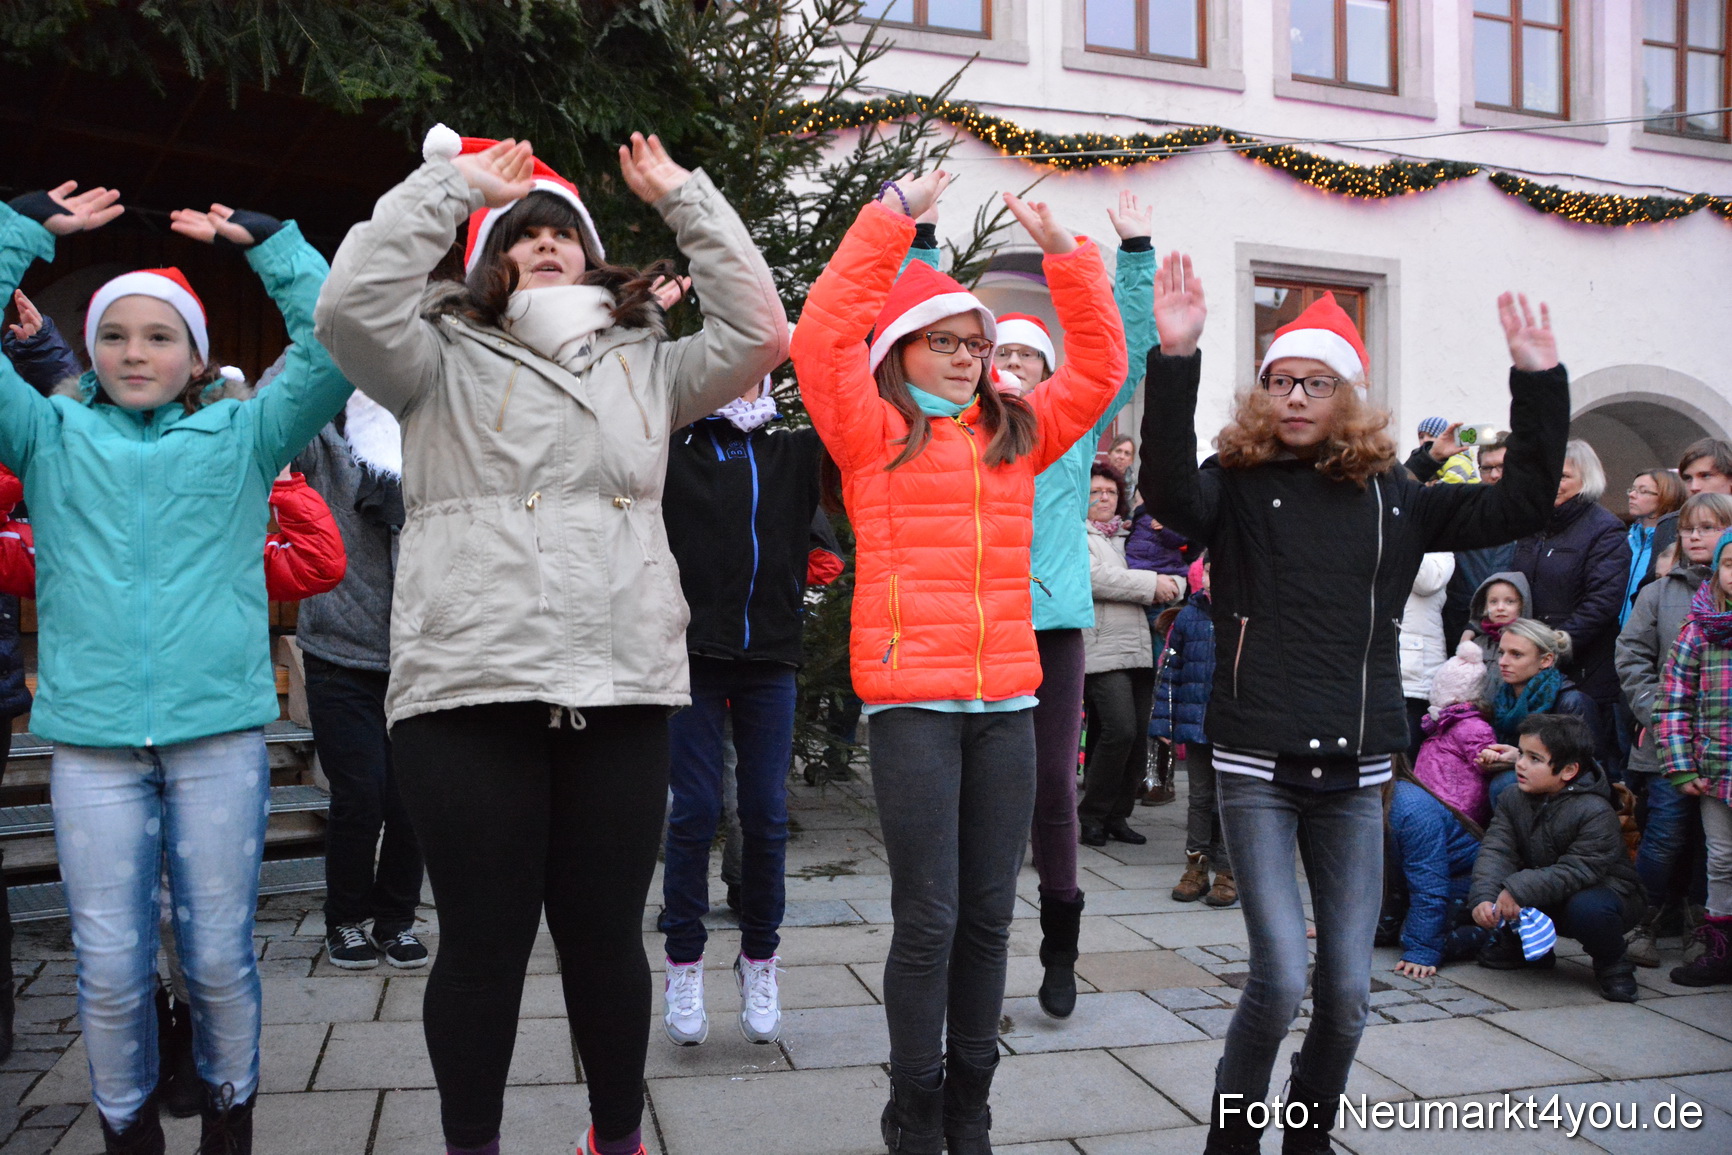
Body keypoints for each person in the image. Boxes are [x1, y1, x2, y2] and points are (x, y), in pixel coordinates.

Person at [314, 128, 787, 1155]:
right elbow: (347, 307)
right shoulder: (430, 352)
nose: (542, 246)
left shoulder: (650, 366)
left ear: (590, 251)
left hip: (617, 678)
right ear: (488, 255)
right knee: (482, 942)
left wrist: (685, 201)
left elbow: (758, 332)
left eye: (560, 231)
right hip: (470, 680)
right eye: (520, 233)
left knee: (604, 937)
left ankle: (615, 1138)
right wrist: (447, 187)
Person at [1139, 249, 1568, 1155]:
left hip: (1357, 768)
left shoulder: (1400, 499)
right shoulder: (1238, 485)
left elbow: (1524, 498)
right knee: (1281, 978)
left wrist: (1537, 381)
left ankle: (1305, 1134)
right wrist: (1174, 357)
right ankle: (1232, 1138)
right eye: (1282, 381)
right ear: (1264, 395)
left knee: (1347, 991)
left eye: (1317, 382)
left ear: (1350, 396)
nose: (1296, 396)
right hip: (1256, 764)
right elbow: (1168, 492)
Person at [2, 182, 353, 1153]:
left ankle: (229, 1120)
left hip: (218, 741)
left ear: (196, 355)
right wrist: (21, 228)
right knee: (110, 966)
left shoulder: (247, 435)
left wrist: (277, 245)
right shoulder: (46, 434)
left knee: (214, 958)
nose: (133, 353)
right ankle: (127, 1130)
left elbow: (334, 345)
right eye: (115, 335)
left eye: (160, 337)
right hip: (91, 746)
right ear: (92, 348)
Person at [792, 170, 1126, 1155]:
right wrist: (891, 220)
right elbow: (821, 335)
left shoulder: (1017, 436)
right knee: (928, 917)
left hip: (1008, 705)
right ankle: (914, 1103)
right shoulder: (869, 430)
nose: (969, 357)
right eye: (949, 340)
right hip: (914, 708)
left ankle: (972, 1101)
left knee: (988, 916)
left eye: (978, 345)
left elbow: (1102, 366)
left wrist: (1066, 259)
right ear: (903, 350)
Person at [906, 191, 1158, 1023]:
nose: (1010, 362)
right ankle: (959, 957)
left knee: (1053, 787)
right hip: (967, 630)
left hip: (1047, 630)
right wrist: (923, 239)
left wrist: (1130, 254)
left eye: (1027, 353)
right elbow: (918, 324)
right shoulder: (957, 427)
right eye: (998, 350)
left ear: (1049, 373)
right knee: (964, 803)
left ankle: (1059, 945)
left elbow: (1120, 356)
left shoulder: (1068, 430)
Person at [658, 372, 839, 1047]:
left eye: (757, 361)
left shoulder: (792, 447)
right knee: (695, 809)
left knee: (764, 813)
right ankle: (683, 962)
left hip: (769, 656)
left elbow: (854, 414)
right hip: (692, 652)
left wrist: (818, 551)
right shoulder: (676, 443)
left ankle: (759, 956)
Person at [1616, 491, 1732, 967]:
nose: (1696, 536)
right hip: (1668, 743)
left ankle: (1701, 926)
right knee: (1663, 833)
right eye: (1689, 528)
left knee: (1713, 847)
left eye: (1709, 527)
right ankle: (1640, 920)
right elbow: (1631, 656)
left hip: (1720, 749)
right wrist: (1656, 711)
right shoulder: (1659, 592)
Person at [1470, 713, 1645, 1002]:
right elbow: (1497, 850)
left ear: (1568, 770)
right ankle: (1528, 948)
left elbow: (1580, 869)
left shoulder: (1595, 810)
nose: (1521, 764)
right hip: (1546, 887)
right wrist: (1484, 898)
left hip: (1609, 896)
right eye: (1521, 754)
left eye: (1535, 759)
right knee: (1496, 884)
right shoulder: (1513, 797)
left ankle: (1613, 964)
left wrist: (1519, 889)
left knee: (1587, 909)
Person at [1511, 439, 1631, 777]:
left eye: (1563, 476)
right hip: (1531, 669)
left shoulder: (1604, 529)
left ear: (1586, 479)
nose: (1553, 483)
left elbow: (1603, 602)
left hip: (1582, 674)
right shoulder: (1532, 526)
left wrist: (1552, 646)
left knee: (1578, 770)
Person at [1078, 463, 1182, 847]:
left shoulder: (1130, 533)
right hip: (1101, 647)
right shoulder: (1078, 535)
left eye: (1109, 491)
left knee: (1138, 735)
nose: (1103, 497)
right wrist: (1151, 584)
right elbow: (1093, 578)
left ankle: (1117, 816)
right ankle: (1091, 814)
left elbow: (1174, 570)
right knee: (1118, 729)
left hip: (1141, 647)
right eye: (1095, 492)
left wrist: (1173, 583)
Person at [1651, 528, 1732, 987]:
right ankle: (1720, 947)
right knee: (1720, 858)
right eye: (1730, 564)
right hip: (1716, 770)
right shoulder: (1700, 631)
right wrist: (1681, 765)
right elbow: (1673, 702)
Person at [1151, 555, 1235, 906]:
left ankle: (1229, 870)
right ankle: (1196, 865)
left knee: (1230, 800)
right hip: (1197, 724)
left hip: (1235, 729)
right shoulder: (1188, 617)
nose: (1216, 577)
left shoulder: (1249, 616)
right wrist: (1163, 721)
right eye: (1212, 570)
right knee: (1200, 798)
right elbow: (1170, 672)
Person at [1477, 618, 1600, 810]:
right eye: (1501, 653)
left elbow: (1585, 771)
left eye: (1516, 655)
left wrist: (1518, 759)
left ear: (1546, 660)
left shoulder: (1571, 702)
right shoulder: (1501, 699)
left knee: (1506, 784)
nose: (1503, 662)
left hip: (1568, 804)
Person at [1386, 775, 1488, 980]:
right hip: (1413, 879)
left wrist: (1422, 950)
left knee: (1411, 936)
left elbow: (1430, 883)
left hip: (1464, 878)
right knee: (1379, 930)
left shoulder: (1411, 809)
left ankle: (1501, 935)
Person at [1439, 430, 1515, 644]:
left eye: (1502, 466)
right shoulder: (1463, 511)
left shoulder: (1535, 512)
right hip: (1463, 628)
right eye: (1488, 468)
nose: (1495, 475)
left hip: (1517, 632)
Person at [1414, 641, 1500, 825]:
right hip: (1433, 804)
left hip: (1455, 810)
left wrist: (1489, 757)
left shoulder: (1472, 727)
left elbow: (1484, 764)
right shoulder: (1444, 724)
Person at [1645, 439, 1732, 590]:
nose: (1694, 487)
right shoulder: (1670, 524)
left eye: (1705, 476)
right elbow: (1650, 591)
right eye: (1688, 478)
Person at [1399, 553, 1456, 758]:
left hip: (1412, 673)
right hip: (1369, 665)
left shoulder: (1438, 550)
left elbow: (1428, 581)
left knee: (1403, 759)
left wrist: (1399, 531)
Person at [1623, 468, 1685, 624]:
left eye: (1643, 491)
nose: (1631, 495)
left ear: (1667, 496)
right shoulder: (1622, 540)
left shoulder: (1674, 546)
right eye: (1632, 489)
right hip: (1610, 636)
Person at [1461, 570, 1531, 669]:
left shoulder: (1530, 645)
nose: (1500, 608)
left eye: (1510, 602)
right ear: (1485, 607)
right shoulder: (1475, 645)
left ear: (1523, 606)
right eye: (1493, 602)